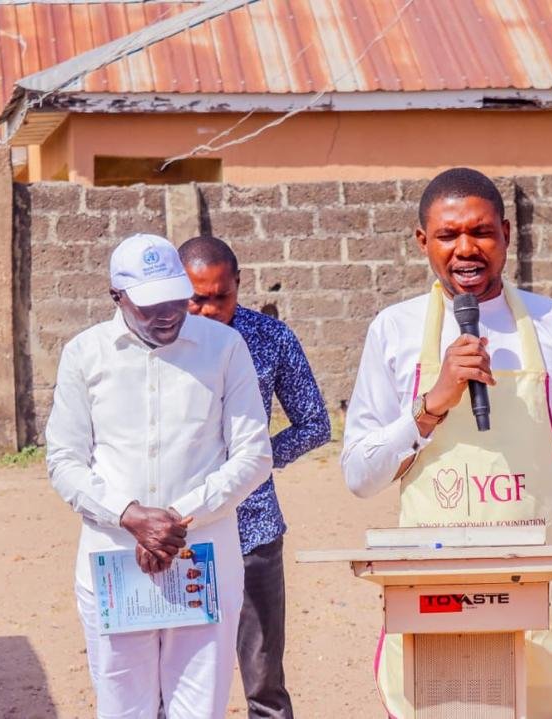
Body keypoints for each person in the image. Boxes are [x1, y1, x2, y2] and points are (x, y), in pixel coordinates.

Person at [341, 168, 552, 719]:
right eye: (447, 235)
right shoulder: (393, 330)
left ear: (506, 233)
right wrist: (433, 403)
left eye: (480, 231)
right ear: (422, 241)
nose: (465, 249)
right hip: (433, 600)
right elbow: (360, 475)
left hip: (540, 598)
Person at [46, 233, 273, 719]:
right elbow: (64, 460)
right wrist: (129, 516)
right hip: (115, 562)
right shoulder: (85, 354)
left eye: (175, 299)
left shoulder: (223, 347)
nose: (168, 314)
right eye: (150, 305)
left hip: (202, 560)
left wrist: (175, 519)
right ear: (117, 296)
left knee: (199, 709)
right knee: (124, 709)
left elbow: (253, 455)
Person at [178, 235, 331, 719]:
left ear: (238, 285)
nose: (208, 310)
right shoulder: (159, 345)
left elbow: (314, 423)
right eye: (195, 299)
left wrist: (254, 465)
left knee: (264, 682)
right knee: (177, 679)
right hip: (179, 533)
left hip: (253, 530)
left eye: (221, 296)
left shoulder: (270, 338)